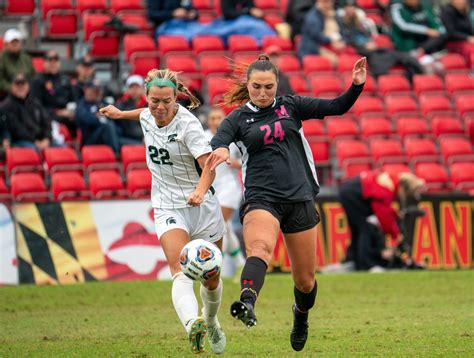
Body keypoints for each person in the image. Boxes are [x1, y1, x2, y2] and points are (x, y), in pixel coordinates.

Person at [205, 54, 366, 351]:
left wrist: (356, 86)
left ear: (277, 84)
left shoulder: (291, 106)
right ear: (248, 85)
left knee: (305, 282)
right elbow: (218, 141)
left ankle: (300, 315)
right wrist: (222, 151)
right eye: (256, 87)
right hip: (261, 197)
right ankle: (247, 303)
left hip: (300, 196)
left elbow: (337, 107)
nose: (263, 92)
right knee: (260, 249)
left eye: (268, 86)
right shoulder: (237, 119)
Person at [98, 69, 227, 354]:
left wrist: (200, 191)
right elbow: (141, 114)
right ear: (147, 98)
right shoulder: (147, 114)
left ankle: (211, 320)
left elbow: (209, 166)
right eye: (154, 100)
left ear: (175, 97)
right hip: (168, 206)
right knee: (179, 270)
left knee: (211, 277)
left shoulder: (189, 125)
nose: (159, 107)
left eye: (166, 101)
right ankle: (193, 324)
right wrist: (120, 114)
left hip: (202, 205)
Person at [337, 170, 425, 272]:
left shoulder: (389, 180)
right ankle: (367, 265)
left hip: (348, 192)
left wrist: (394, 214)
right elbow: (384, 218)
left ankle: (352, 260)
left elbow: (384, 209)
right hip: (352, 194)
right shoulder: (386, 188)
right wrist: (396, 234)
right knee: (365, 228)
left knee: (358, 229)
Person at [204, 107, 246, 276]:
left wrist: (233, 161)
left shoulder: (233, 138)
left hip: (229, 187)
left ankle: (216, 267)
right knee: (224, 225)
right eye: (213, 118)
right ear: (208, 121)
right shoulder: (202, 137)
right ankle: (239, 263)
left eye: (219, 118)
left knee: (219, 224)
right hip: (211, 188)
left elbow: (245, 161)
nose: (216, 121)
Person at [31, 50, 76, 141]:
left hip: (67, 115)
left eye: (55, 61)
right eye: (49, 61)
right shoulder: (37, 80)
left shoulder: (65, 79)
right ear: (44, 63)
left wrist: (70, 111)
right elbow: (36, 106)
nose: (53, 64)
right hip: (48, 116)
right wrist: (56, 112)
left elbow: (74, 99)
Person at [0, 73, 51, 151]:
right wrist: (35, 141)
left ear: (28, 85)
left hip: (41, 139)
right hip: (22, 141)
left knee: (62, 147)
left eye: (23, 83)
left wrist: (47, 138)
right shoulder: (6, 106)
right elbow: (17, 130)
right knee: (33, 151)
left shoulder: (35, 102)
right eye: (17, 84)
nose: (20, 87)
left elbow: (47, 121)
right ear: (12, 86)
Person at [75, 79, 121, 154]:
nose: (96, 92)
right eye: (93, 90)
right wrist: (99, 117)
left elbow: (116, 115)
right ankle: (116, 154)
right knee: (107, 126)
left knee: (130, 142)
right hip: (90, 139)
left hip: (107, 136)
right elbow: (89, 120)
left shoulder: (102, 103)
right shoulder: (81, 106)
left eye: (98, 90)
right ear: (85, 89)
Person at [298, 0, 347, 65]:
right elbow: (317, 35)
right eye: (325, 2)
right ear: (318, 2)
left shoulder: (332, 14)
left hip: (326, 47)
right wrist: (332, 40)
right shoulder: (312, 17)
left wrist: (341, 41)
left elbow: (344, 32)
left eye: (330, 2)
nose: (329, 4)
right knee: (334, 61)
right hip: (311, 50)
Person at [0, 29, 35, 100]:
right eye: (12, 42)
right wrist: (12, 88)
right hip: (7, 96)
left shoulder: (26, 58)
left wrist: (26, 88)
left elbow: (33, 76)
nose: (15, 44)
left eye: (17, 42)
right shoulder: (2, 59)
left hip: (27, 94)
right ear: (6, 44)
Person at [115, 75, 146, 145]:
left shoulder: (148, 104)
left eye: (137, 87)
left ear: (142, 89)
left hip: (144, 137)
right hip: (128, 138)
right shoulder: (121, 105)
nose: (134, 90)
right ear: (127, 89)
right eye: (131, 87)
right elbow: (129, 129)